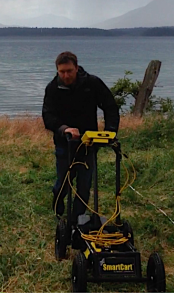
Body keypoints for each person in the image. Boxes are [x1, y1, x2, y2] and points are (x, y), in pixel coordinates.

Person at [42, 51, 120, 221]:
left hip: (88, 143)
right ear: (57, 70)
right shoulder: (53, 88)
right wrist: (64, 129)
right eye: (62, 71)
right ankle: (58, 208)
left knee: (84, 186)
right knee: (63, 183)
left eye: (69, 71)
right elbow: (48, 117)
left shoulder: (92, 83)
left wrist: (110, 131)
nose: (66, 75)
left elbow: (110, 106)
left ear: (77, 68)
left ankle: (77, 220)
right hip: (65, 143)